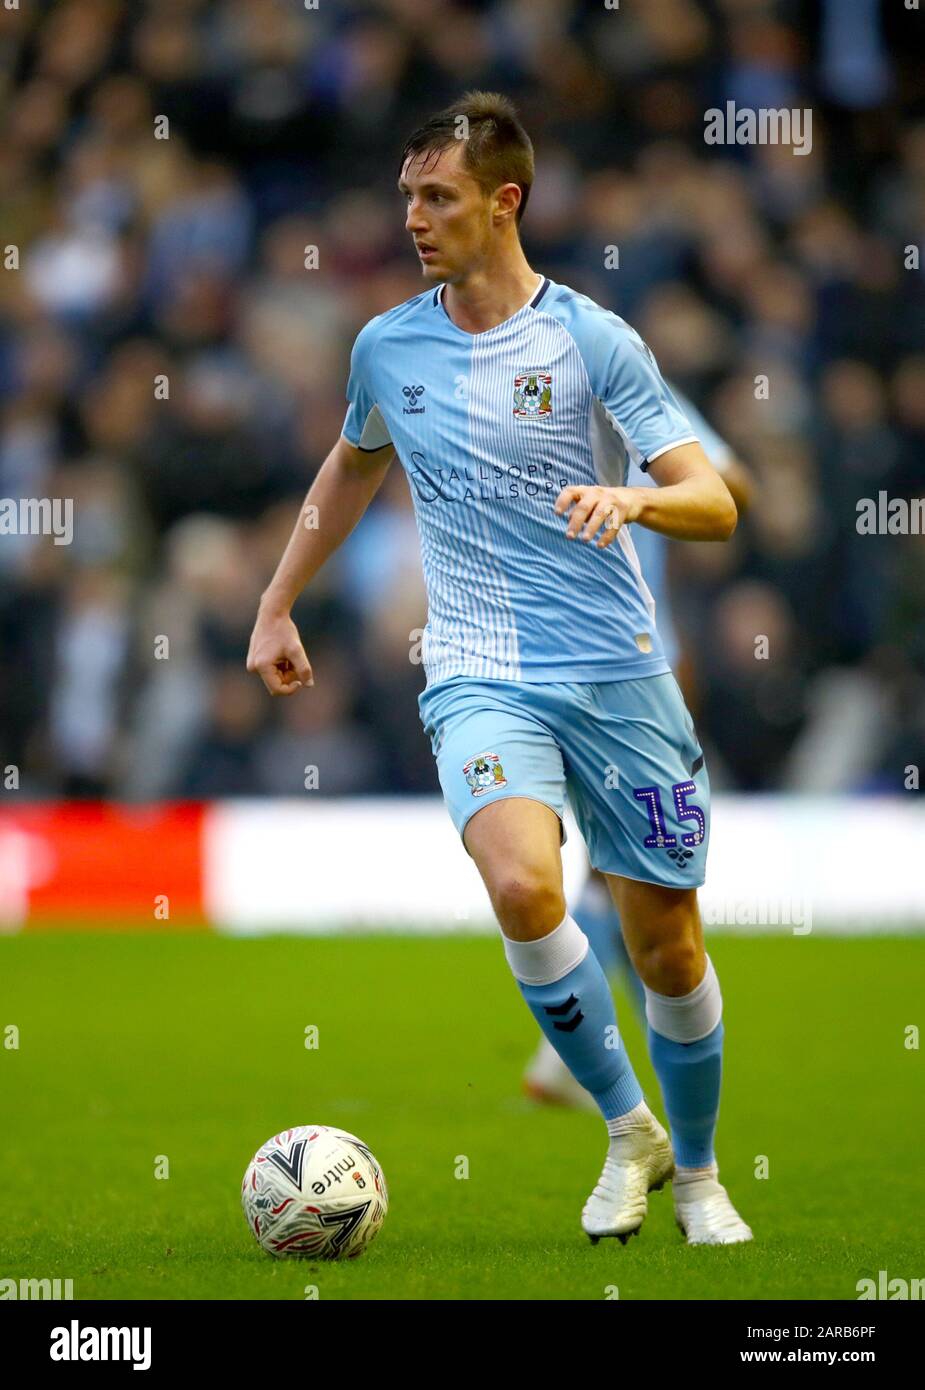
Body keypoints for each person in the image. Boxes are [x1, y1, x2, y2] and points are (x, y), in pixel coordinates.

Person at [246, 91, 751, 1246]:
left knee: (667, 940)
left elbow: (713, 500)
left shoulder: (592, 339)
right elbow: (350, 469)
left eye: (439, 197)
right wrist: (278, 601)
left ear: (503, 202)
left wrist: (632, 495)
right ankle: (630, 1128)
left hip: (615, 669)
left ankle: (703, 1171)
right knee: (522, 884)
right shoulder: (386, 344)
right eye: (407, 196)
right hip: (474, 666)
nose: (415, 218)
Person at [524, 392, 754, 1114]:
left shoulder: (615, 376)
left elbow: (726, 491)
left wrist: (634, 498)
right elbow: (733, 477)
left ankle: (578, 1051)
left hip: (618, 656)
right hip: (581, 657)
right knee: (613, 867)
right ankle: (583, 1051)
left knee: (619, 869)